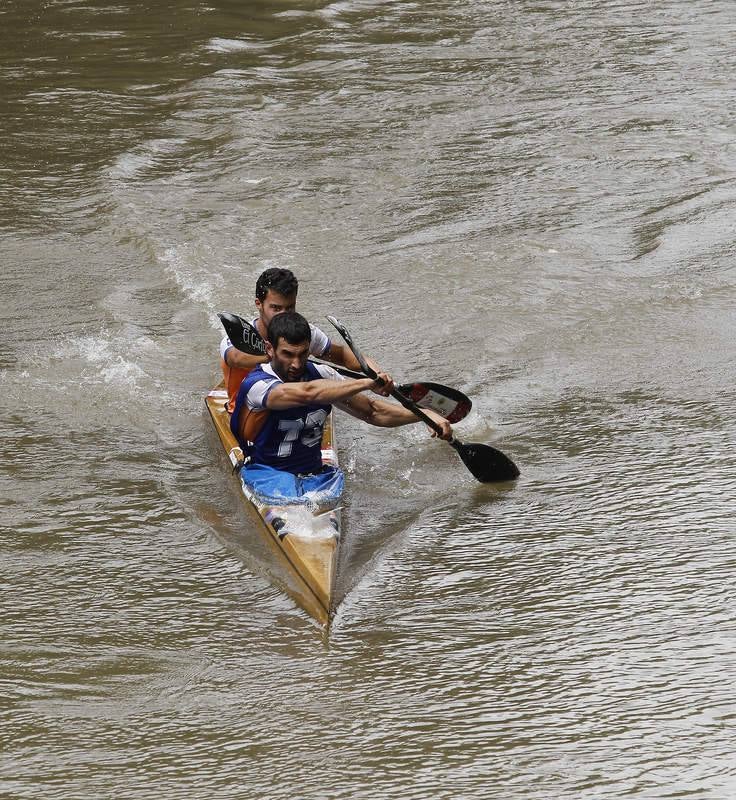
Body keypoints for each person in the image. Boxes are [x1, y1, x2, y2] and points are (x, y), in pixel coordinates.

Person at [231, 311, 452, 507]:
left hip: (316, 475)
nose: (296, 364)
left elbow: (372, 411)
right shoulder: (257, 385)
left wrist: (426, 415)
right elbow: (308, 393)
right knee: (293, 499)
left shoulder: (324, 375)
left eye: (302, 354)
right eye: (288, 354)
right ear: (269, 349)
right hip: (268, 475)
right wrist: (367, 382)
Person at [219, 267, 386, 412]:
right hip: (249, 412)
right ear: (259, 304)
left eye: (290, 307)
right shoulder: (239, 336)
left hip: (295, 406)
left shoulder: (302, 333)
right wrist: (280, 355)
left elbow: (341, 355)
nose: (284, 315)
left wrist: (376, 373)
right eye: (276, 308)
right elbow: (236, 359)